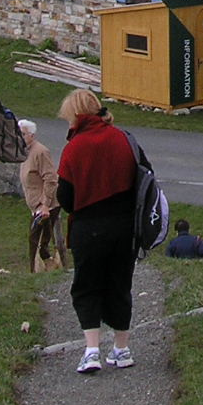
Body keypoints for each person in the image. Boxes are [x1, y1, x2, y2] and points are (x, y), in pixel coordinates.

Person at [56, 88, 140, 373]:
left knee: (87, 286)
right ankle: (122, 348)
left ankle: (92, 350)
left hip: (88, 226)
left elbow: (65, 197)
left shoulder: (75, 147)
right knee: (120, 284)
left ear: (76, 116)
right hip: (124, 225)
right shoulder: (123, 139)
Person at [20, 119, 64, 273]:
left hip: (46, 205)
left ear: (32, 135)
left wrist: (45, 204)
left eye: (23, 134)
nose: (21, 137)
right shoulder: (25, 152)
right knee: (36, 241)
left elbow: (51, 179)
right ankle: (41, 270)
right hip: (36, 205)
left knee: (39, 242)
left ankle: (44, 271)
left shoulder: (40, 151)